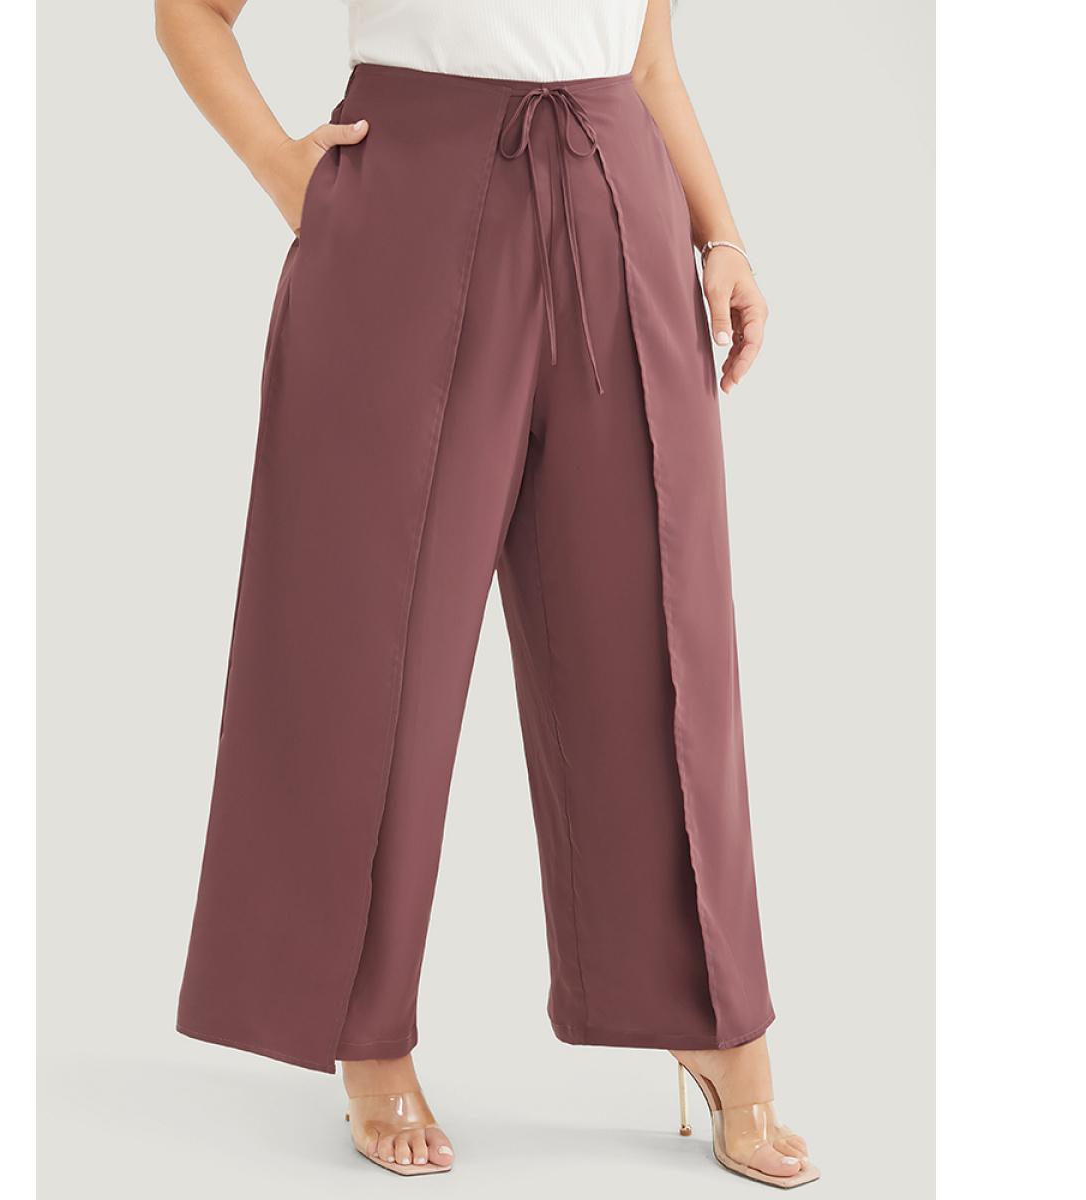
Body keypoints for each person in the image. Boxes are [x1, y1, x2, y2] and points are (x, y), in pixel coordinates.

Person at [156, 0, 816, 1186]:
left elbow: (649, 61)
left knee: (658, 630)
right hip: (406, 207)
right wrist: (281, 168)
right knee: (374, 634)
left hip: (621, 204)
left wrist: (722, 237)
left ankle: (713, 1019)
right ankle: (365, 1029)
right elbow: (189, 12)